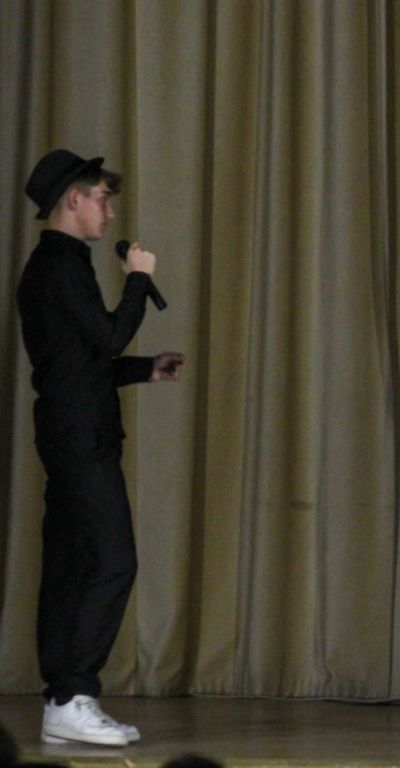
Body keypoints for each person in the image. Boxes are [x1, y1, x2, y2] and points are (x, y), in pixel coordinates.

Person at [16, 149, 185, 747]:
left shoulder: (59, 266)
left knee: (71, 564)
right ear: (74, 199)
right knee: (114, 560)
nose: (109, 213)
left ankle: (61, 702)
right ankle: (73, 695)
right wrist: (138, 277)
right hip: (78, 437)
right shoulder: (58, 268)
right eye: (102, 199)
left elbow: (79, 363)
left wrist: (145, 368)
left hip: (70, 430)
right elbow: (109, 336)